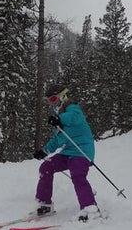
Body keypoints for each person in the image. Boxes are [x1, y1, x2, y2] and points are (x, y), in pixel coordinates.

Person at [33, 83, 101, 222]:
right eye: (49, 101)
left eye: (53, 99)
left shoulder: (72, 108)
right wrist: (44, 151)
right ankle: (45, 204)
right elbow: (57, 140)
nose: (51, 104)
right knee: (46, 167)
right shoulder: (58, 117)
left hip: (82, 151)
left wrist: (60, 119)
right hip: (68, 152)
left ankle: (90, 209)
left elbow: (75, 117)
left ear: (62, 97)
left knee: (77, 175)